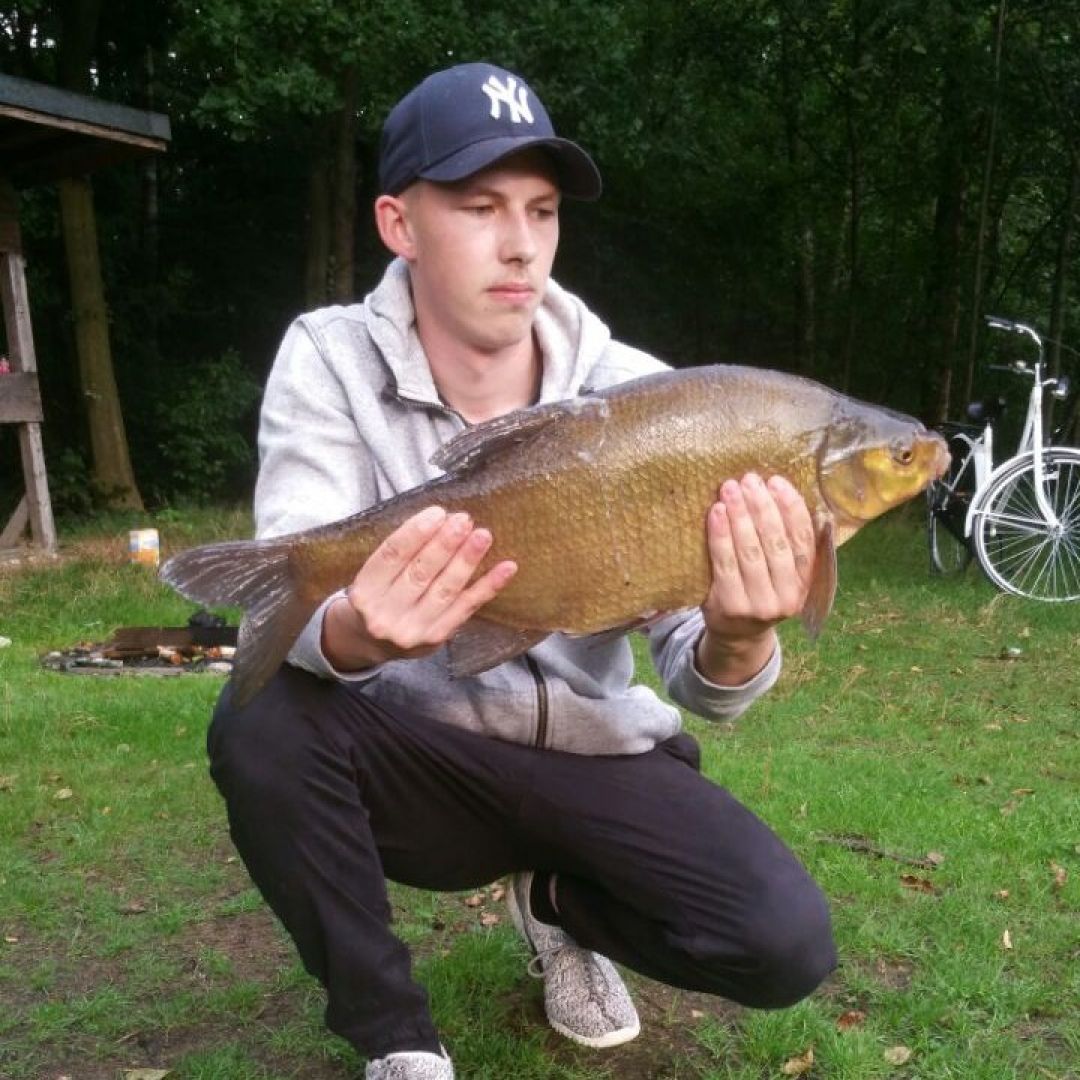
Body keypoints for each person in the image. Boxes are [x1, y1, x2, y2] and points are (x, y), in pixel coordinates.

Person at [208, 62, 836, 1080]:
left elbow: (698, 677)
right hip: (426, 758)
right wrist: (361, 632)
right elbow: (295, 601)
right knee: (259, 719)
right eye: (481, 207)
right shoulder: (327, 358)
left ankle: (555, 907)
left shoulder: (638, 392)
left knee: (784, 943)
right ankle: (396, 1037)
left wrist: (739, 632)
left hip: (597, 759)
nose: (521, 244)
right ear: (399, 224)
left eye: (542, 211)